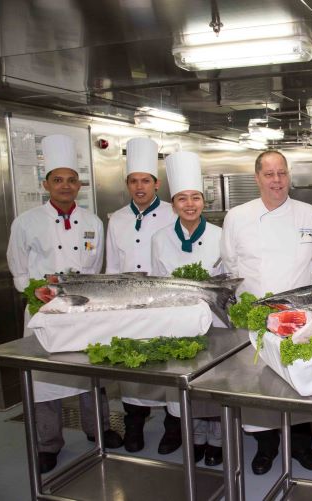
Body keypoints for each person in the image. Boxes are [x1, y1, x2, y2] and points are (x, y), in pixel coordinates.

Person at [6, 134, 122, 473]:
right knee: (43, 378)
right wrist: (38, 295)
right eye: (58, 180)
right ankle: (48, 443)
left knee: (91, 371)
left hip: (83, 309)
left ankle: (97, 429)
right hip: (43, 311)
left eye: (71, 180)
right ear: (46, 184)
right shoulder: (25, 222)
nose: (65, 186)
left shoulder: (92, 222)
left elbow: (95, 265)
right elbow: (18, 268)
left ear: (79, 185)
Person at [220, 150, 312, 475]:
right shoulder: (236, 216)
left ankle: (302, 447)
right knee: (259, 384)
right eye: (269, 174)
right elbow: (230, 265)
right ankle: (266, 448)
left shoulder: (309, 213)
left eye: (282, 173)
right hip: (255, 319)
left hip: (299, 318)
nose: (277, 180)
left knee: (299, 382)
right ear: (257, 178)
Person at [150, 150, 225, 466]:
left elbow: (225, 281)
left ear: (203, 203)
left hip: (215, 319)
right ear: (173, 205)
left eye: (195, 198)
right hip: (175, 320)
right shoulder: (159, 238)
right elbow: (157, 283)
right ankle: (192, 436)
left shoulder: (220, 235)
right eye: (183, 199)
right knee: (183, 379)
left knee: (213, 380)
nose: (190, 204)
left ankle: (217, 440)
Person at [105, 137, 177, 454]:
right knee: (131, 369)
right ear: (127, 184)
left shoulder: (172, 214)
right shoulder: (117, 219)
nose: (139, 187)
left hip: (162, 303)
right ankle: (134, 425)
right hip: (127, 306)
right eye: (133, 181)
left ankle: (172, 429)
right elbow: (110, 267)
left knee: (167, 366)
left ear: (156, 183)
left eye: (145, 180)